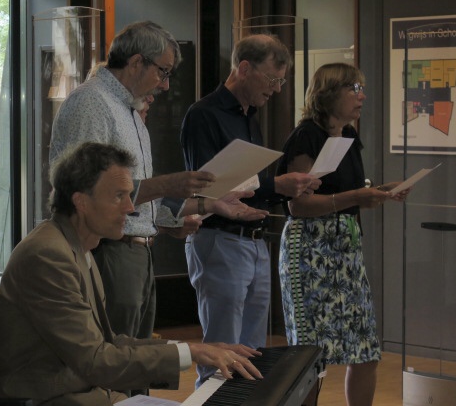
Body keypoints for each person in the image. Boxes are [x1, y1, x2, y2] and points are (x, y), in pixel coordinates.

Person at [0, 142, 263, 405]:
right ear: (81, 201)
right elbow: (95, 361)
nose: (131, 208)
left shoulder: (75, 245)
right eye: (118, 196)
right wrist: (190, 352)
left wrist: (196, 349)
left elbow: (109, 342)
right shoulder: (49, 255)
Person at [49, 21, 266, 341]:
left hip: (137, 251)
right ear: (137, 62)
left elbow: (135, 198)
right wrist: (168, 185)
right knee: (113, 357)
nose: (165, 85)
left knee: (136, 358)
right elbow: (88, 193)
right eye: (163, 72)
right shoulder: (92, 102)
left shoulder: (128, 110)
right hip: (108, 251)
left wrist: (204, 207)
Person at [180, 33, 321, 387]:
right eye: (272, 79)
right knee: (221, 356)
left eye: (281, 81)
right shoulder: (204, 114)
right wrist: (277, 186)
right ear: (244, 69)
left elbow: (248, 187)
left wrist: (286, 188)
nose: (277, 89)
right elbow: (208, 189)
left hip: (255, 241)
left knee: (252, 355)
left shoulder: (250, 117)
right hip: (220, 239)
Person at [276, 63, 409, 406]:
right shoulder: (306, 135)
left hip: (346, 248)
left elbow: (345, 191)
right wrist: (355, 198)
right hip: (311, 249)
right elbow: (298, 205)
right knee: (309, 355)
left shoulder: (348, 135)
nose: (361, 96)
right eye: (354, 88)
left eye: (361, 88)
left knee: (365, 350)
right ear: (329, 93)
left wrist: (380, 191)